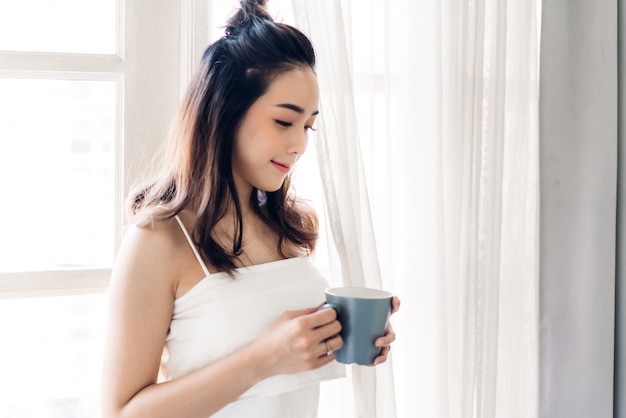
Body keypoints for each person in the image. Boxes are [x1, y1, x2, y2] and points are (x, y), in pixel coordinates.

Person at [101, 1, 399, 417]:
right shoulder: (159, 240)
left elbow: (285, 366)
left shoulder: (289, 227)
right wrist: (263, 358)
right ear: (225, 111)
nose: (299, 144)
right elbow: (121, 413)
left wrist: (340, 333)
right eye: (284, 121)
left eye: (309, 125)